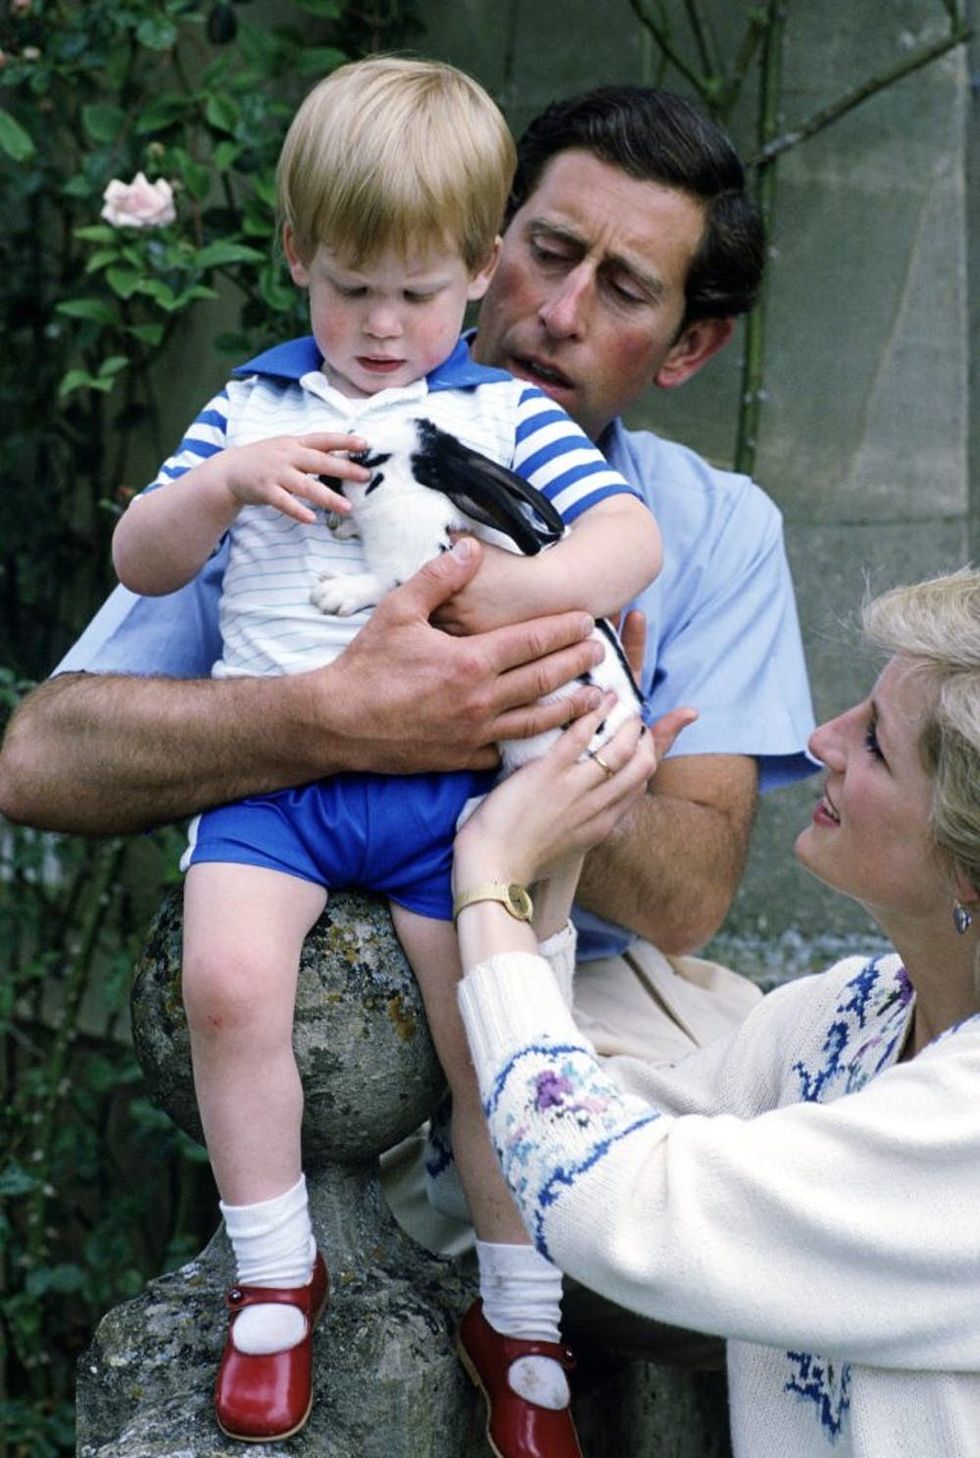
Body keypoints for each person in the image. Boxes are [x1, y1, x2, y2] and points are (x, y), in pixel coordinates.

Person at [0, 80, 815, 1449]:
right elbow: (40, 757)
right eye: (551, 250)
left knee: (737, 1199)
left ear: (691, 344)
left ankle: (526, 1325)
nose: (559, 310)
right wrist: (334, 714)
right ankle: (298, 1282)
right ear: (496, 244)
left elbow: (687, 896)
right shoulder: (288, 437)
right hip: (310, 912)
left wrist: (536, 732)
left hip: (576, 961)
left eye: (623, 288)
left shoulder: (709, 523)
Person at [107, 56, 660, 1448]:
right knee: (226, 983)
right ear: (297, 252)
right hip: (273, 787)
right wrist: (221, 485)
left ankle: (517, 1314)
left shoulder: (501, 416)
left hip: (447, 801)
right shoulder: (253, 407)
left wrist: (511, 589)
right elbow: (141, 555)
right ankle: (273, 1273)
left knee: (490, 1041)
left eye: (415, 293)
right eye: (349, 286)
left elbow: (626, 541)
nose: (378, 324)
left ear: (479, 273)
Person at [452, 567, 980, 1457]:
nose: (822, 739)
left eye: (876, 746)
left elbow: (608, 1200)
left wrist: (490, 879)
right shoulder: (849, 1014)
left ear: (968, 867)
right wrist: (563, 837)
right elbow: (535, 1146)